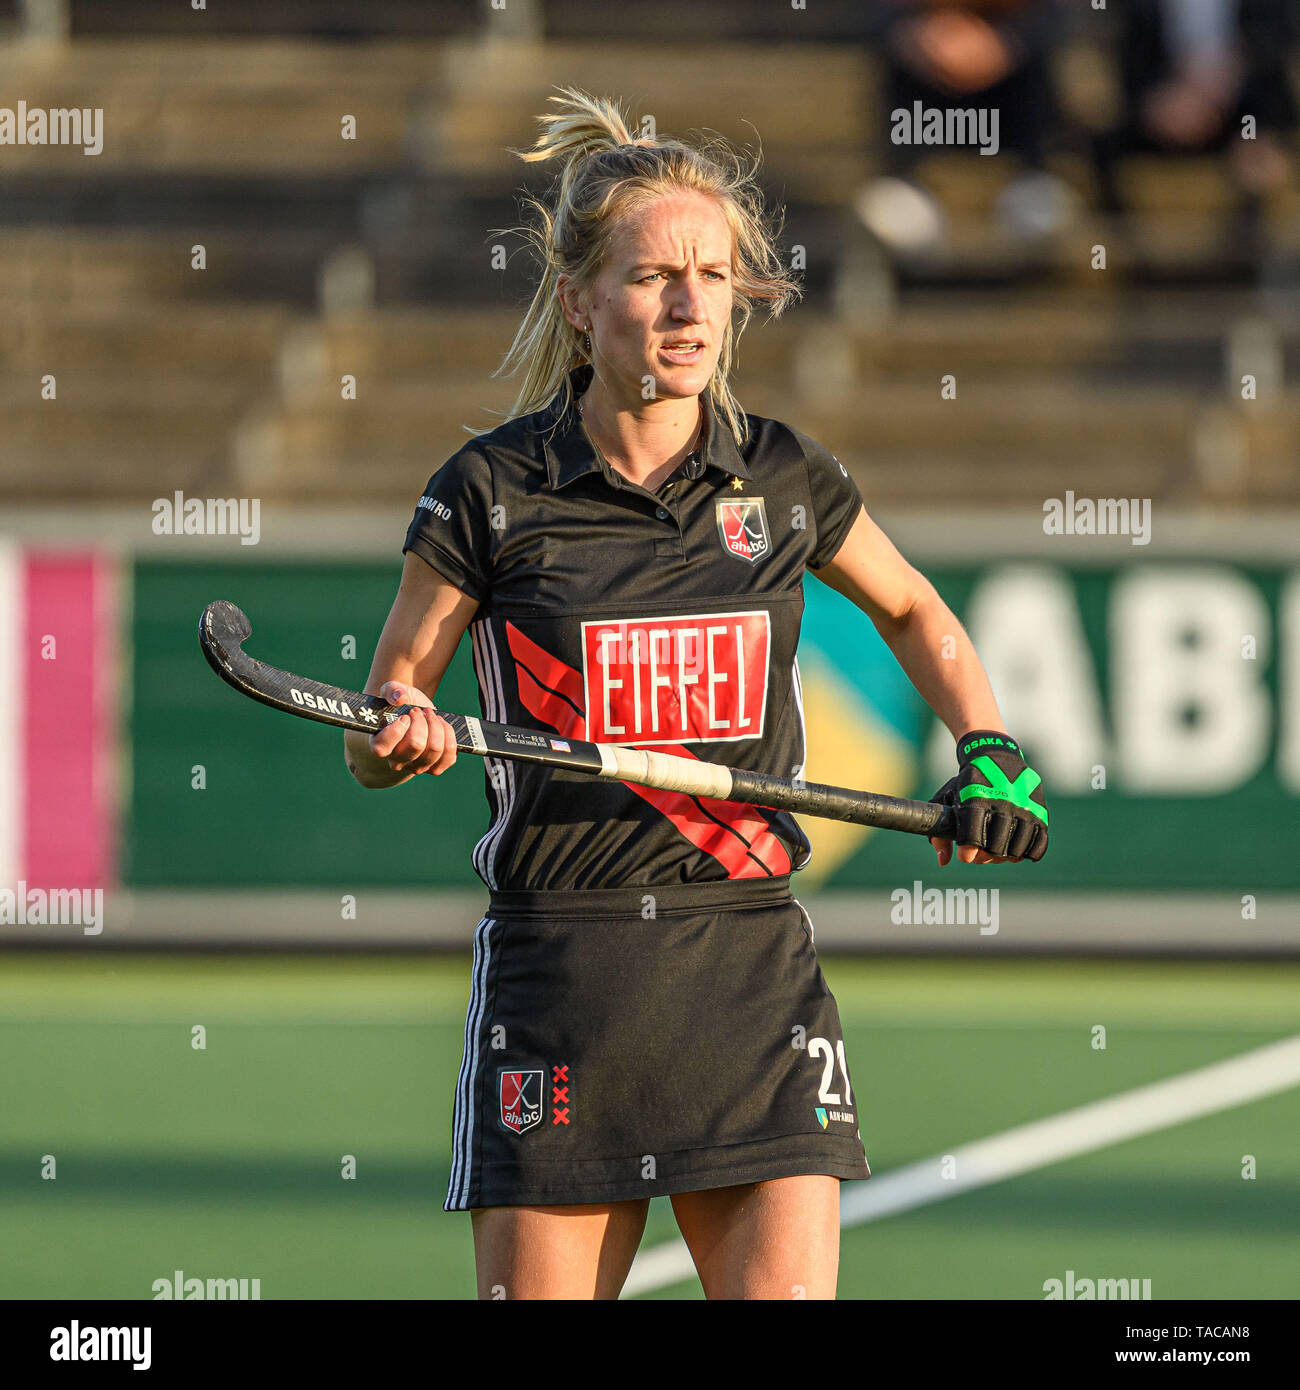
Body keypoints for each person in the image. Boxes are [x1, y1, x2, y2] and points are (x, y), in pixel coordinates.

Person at [343, 88, 1049, 1301]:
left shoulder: (779, 476)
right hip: (565, 977)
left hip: (748, 972)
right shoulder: (490, 492)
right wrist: (398, 738)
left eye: (713, 275)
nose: (686, 305)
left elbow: (914, 609)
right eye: (653, 274)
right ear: (578, 301)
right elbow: (383, 712)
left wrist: (987, 744)